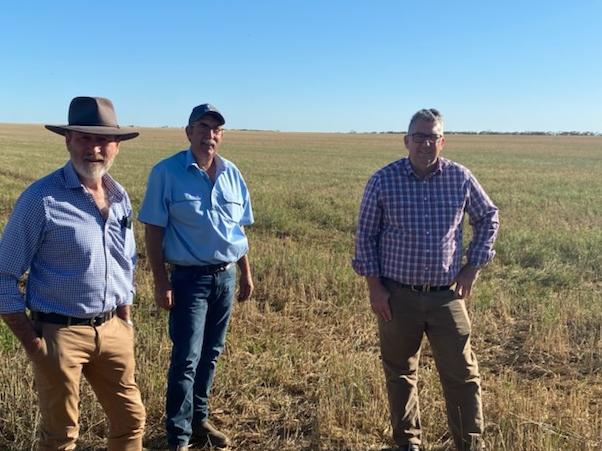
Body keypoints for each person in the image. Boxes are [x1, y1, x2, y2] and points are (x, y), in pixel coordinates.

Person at [0, 96, 146, 450]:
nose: (95, 148)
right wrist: (34, 343)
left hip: (113, 330)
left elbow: (125, 258)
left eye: (103, 140)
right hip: (59, 334)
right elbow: (3, 275)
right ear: (68, 140)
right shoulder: (42, 199)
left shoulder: (120, 195)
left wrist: (123, 317)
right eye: (84, 138)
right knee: (61, 435)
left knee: (131, 422)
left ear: (117, 146)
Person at [352, 108, 499, 451]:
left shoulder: (460, 178)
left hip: (446, 296)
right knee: (400, 373)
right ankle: (408, 443)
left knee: (462, 375)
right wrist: (375, 288)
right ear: (407, 141)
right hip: (397, 296)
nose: (425, 144)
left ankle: (468, 444)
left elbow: (489, 217)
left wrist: (472, 267)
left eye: (432, 137)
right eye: (419, 137)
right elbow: (366, 237)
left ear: (442, 142)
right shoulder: (383, 180)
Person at [138, 103, 254, 450]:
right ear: (188, 132)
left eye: (216, 129)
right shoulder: (167, 173)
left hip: (226, 276)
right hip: (189, 280)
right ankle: (179, 436)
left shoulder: (232, 173)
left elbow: (238, 231)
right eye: (203, 127)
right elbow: (154, 231)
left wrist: (245, 274)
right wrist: (161, 281)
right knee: (186, 358)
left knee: (212, 353)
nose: (210, 135)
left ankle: (199, 419)